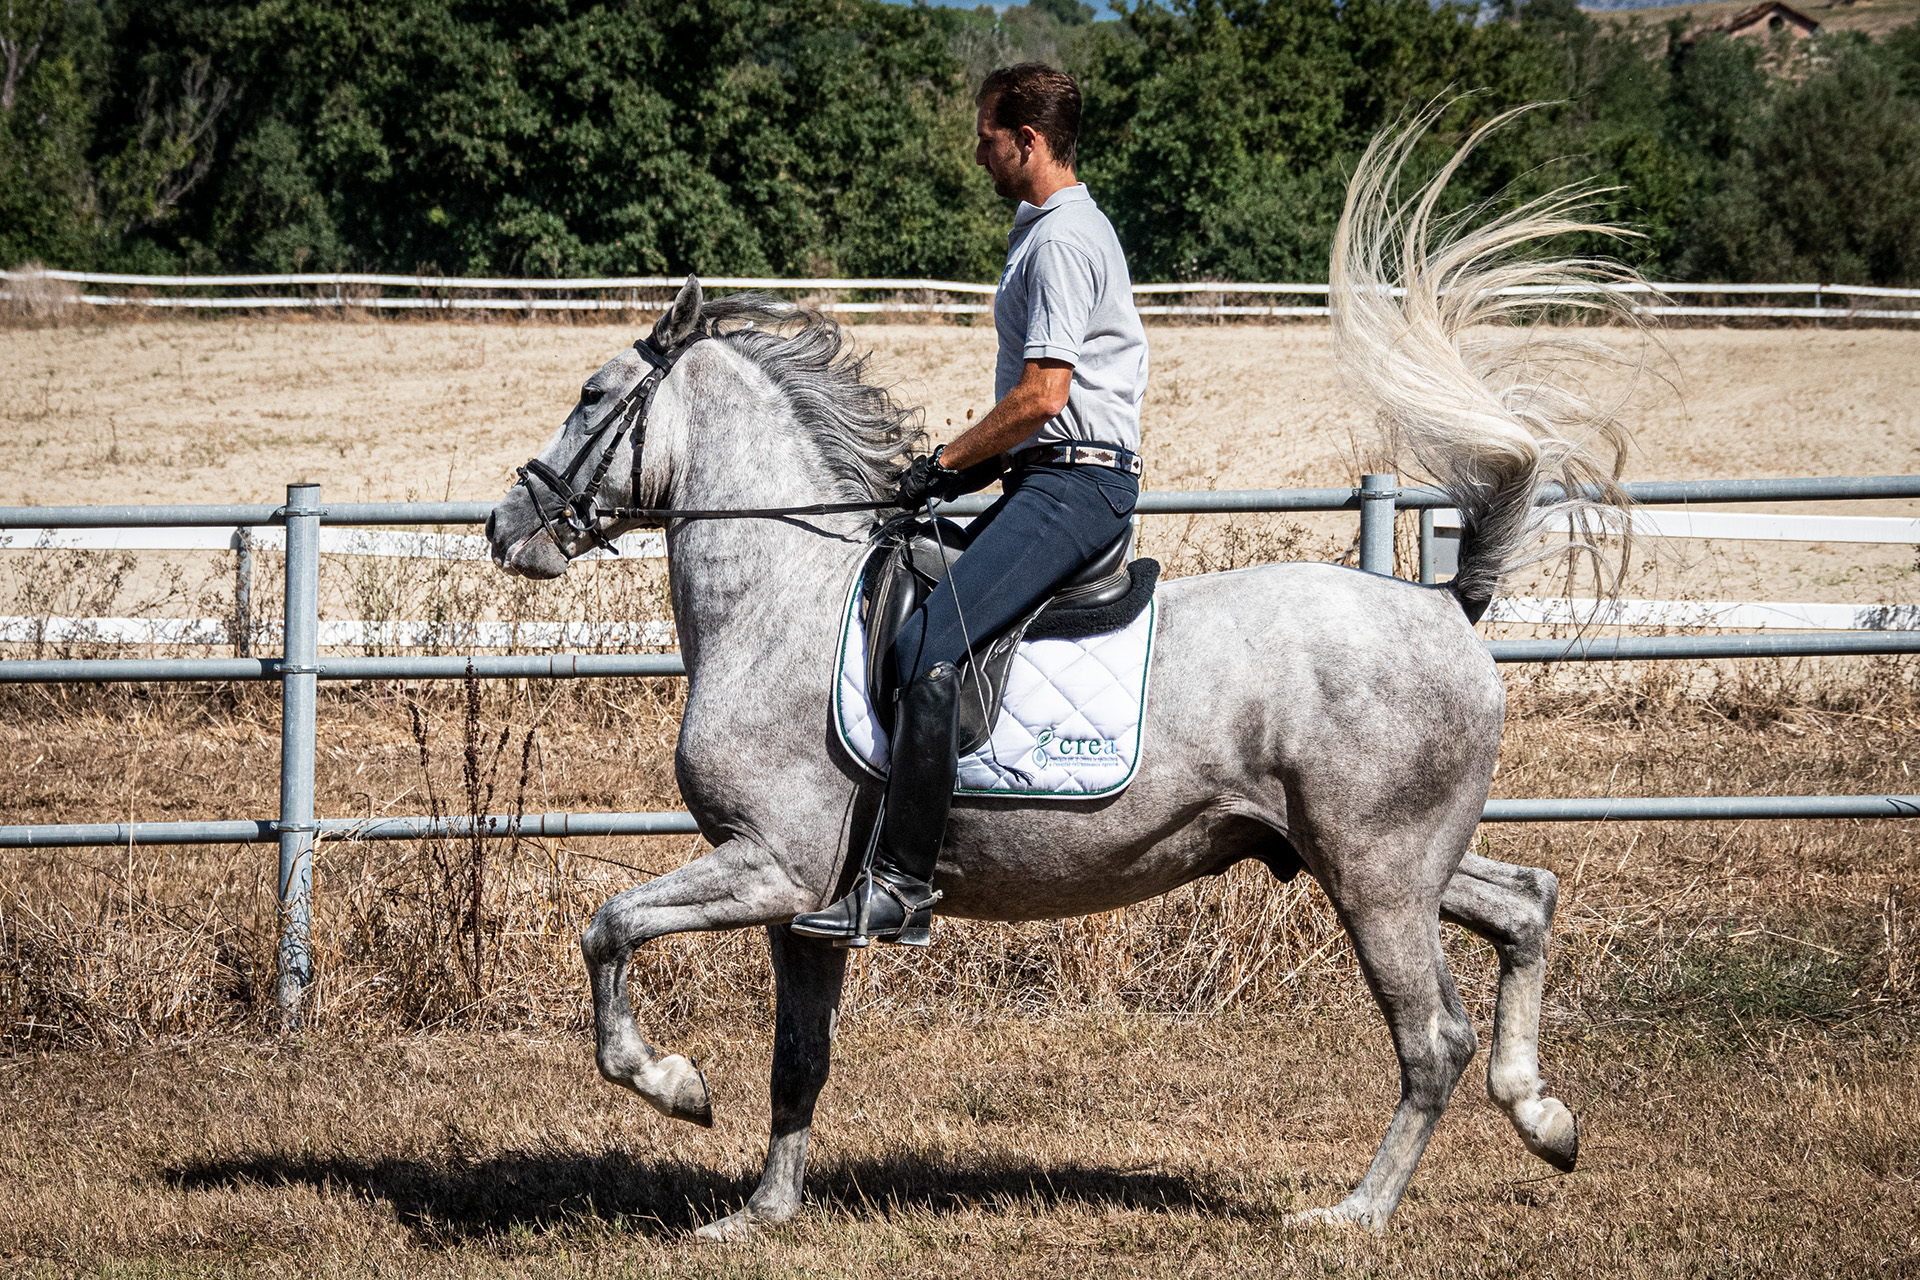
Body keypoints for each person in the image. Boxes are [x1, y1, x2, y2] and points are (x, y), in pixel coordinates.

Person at [792, 62, 1150, 947]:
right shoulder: (1049, 231)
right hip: (1046, 478)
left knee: (925, 645)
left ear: (1027, 140)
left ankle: (901, 885)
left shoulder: (1062, 240)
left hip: (1074, 486)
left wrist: (945, 460)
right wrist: (959, 477)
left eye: (987, 137)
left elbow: (1045, 395)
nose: (977, 151)